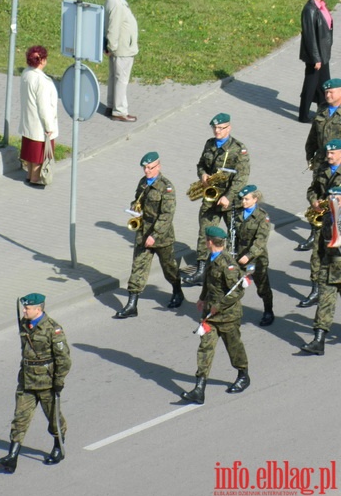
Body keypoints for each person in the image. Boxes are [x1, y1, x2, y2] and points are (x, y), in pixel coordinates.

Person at [0, 293, 71, 473]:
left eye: (27, 308)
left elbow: (64, 359)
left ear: (38, 309)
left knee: (53, 419)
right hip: (27, 381)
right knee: (20, 419)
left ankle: (58, 447)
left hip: (46, 382)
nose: (24, 310)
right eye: (24, 307)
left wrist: (58, 381)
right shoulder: (24, 324)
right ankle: (12, 458)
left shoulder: (53, 329)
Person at [180, 226, 250, 405]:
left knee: (234, 348)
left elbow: (238, 292)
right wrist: (202, 298)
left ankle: (243, 375)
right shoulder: (212, 258)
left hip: (227, 316)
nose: (204, 243)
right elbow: (208, 281)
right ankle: (199, 389)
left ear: (210, 242)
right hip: (210, 316)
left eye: (205, 240)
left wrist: (218, 307)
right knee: (205, 349)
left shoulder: (228, 264)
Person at [114, 152, 184, 319]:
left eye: (150, 168)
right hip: (143, 233)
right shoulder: (143, 183)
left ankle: (177, 291)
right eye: (144, 168)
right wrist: (134, 208)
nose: (146, 171)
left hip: (161, 236)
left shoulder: (166, 187)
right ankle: (132, 305)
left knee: (169, 268)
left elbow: (167, 214)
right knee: (138, 267)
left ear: (158, 167)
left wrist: (155, 234)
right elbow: (137, 199)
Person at [183, 113, 250, 286]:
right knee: (205, 232)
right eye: (215, 128)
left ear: (229, 128)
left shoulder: (238, 148)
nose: (217, 131)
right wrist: (203, 175)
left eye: (221, 128)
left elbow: (242, 177)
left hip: (231, 200)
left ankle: (234, 269)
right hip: (211, 197)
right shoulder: (209, 144)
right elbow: (201, 165)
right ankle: (201, 270)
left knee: (235, 235)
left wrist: (228, 196)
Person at [297, 78, 341, 252]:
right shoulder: (322, 110)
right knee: (317, 197)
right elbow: (313, 135)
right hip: (322, 163)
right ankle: (315, 234)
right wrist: (310, 155)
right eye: (326, 92)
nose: (328, 95)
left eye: (332, 92)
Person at [298, 139, 341, 309]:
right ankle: (316, 289)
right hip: (323, 219)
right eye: (327, 153)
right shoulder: (322, 168)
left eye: (332, 153)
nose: (328, 156)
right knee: (317, 255)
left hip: (339, 222)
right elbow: (313, 189)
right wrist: (314, 201)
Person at [301, 186, 341, 355]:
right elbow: (319, 245)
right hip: (329, 264)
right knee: (325, 301)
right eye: (331, 196)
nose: (333, 199)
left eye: (337, 196)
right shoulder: (326, 216)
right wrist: (318, 266)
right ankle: (318, 341)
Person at [234, 185, 274, 326]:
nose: (243, 202)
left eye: (246, 199)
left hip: (257, 258)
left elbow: (260, 241)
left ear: (255, 199)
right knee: (234, 285)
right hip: (239, 255)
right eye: (242, 199)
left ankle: (268, 311)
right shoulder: (237, 213)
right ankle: (233, 314)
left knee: (262, 287)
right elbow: (233, 235)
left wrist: (249, 255)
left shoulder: (262, 216)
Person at [19, 46, 58, 188]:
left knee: (30, 152)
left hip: (28, 121)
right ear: (42, 60)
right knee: (38, 155)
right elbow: (44, 107)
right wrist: (49, 127)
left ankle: (29, 176)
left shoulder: (26, 73)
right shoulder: (42, 81)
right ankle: (35, 179)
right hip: (39, 124)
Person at [104, 0, 139, 122]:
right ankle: (119, 111)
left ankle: (111, 106)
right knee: (121, 80)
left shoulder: (115, 0)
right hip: (123, 49)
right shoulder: (117, 3)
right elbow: (113, 27)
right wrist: (112, 46)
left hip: (119, 47)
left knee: (114, 77)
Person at [298, 0, 333, 123]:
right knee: (310, 85)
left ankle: (323, 111)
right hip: (316, 56)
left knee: (324, 84)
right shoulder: (310, 9)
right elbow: (310, 36)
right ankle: (303, 115)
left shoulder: (321, 6)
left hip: (323, 54)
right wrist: (316, 58)